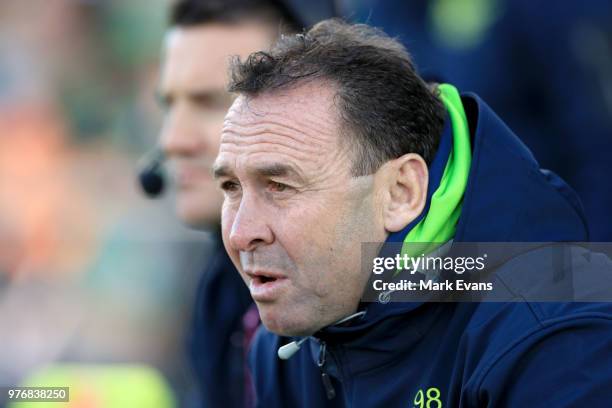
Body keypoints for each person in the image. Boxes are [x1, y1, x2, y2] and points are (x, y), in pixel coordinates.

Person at [213, 19, 612, 406]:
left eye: (280, 186)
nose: (240, 232)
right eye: (231, 187)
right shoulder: (289, 342)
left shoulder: (556, 336)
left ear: (401, 193)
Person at [156, 1, 299, 406]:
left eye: (210, 102)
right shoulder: (221, 287)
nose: (172, 140)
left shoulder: (438, 279)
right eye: (169, 104)